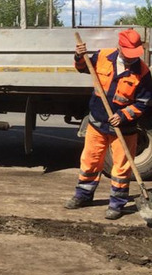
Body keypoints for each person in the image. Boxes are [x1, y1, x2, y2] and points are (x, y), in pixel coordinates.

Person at [65, 29, 152, 220]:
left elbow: (144, 102)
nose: (131, 59)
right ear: (120, 47)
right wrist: (79, 56)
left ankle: (116, 204)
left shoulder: (143, 72)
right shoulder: (102, 56)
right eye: (128, 54)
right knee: (90, 161)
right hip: (97, 123)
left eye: (134, 55)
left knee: (121, 168)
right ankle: (83, 196)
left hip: (124, 129)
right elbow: (82, 67)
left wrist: (123, 115)